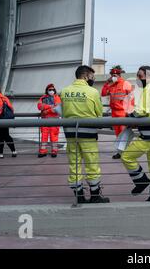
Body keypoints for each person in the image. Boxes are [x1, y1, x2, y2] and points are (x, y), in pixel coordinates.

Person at [62, 66, 110, 204]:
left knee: (74, 164)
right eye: (92, 77)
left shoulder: (65, 91)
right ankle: (95, 196)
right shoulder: (93, 92)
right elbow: (99, 115)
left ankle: (79, 196)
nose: (93, 79)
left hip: (70, 133)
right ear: (86, 76)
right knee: (92, 164)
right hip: (88, 133)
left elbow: (64, 112)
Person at [121, 66, 150, 202]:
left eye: (140, 76)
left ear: (149, 77)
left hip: (149, 135)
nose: (137, 78)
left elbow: (141, 111)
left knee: (126, 157)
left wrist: (129, 116)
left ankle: (141, 181)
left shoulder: (148, 90)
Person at [101, 65, 135, 159]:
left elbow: (131, 98)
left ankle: (125, 153)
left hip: (123, 113)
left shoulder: (126, 84)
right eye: (112, 75)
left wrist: (129, 112)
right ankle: (120, 152)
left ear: (120, 75)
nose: (114, 77)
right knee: (118, 134)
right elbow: (103, 93)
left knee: (124, 134)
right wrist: (107, 83)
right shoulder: (111, 85)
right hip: (114, 113)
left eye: (115, 75)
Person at [37, 84, 62, 158]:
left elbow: (57, 109)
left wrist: (46, 111)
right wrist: (50, 106)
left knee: (53, 136)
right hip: (45, 121)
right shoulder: (43, 97)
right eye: (50, 89)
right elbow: (39, 106)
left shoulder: (57, 97)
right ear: (47, 90)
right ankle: (43, 151)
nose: (52, 91)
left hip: (54, 121)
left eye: (53, 90)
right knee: (44, 137)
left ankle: (54, 151)